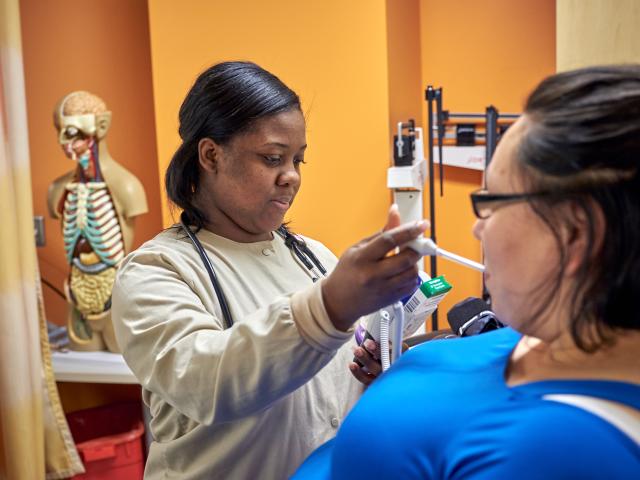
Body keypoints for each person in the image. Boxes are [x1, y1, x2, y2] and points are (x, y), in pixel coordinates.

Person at [294, 65, 640, 479]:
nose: (478, 228)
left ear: (575, 234)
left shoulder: (560, 452)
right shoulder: (547, 335)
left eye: (490, 202)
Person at [111, 61, 427, 479]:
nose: (291, 176)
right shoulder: (155, 271)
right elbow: (205, 383)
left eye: (298, 160)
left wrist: (372, 368)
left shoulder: (314, 257)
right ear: (211, 155)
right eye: (273, 158)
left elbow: (331, 396)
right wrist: (329, 307)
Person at [48, 91, 148, 352]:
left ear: (102, 125)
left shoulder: (127, 187)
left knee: (126, 363)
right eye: (59, 131)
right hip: (77, 299)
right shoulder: (58, 190)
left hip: (115, 298)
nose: (62, 142)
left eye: (72, 132)